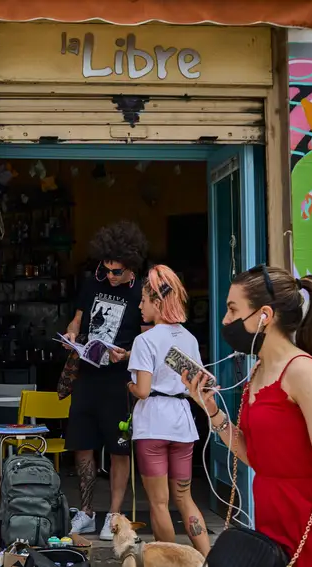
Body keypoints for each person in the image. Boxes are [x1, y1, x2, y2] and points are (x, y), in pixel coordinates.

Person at [183, 265, 312, 567]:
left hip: (307, 523)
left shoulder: (302, 371)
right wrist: (210, 410)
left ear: (265, 315)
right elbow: (256, 457)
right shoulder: (258, 370)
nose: (225, 320)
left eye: (232, 309)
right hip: (270, 525)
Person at [62, 221, 148, 540]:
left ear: (132, 269)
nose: (109, 276)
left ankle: (113, 514)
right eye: (106, 269)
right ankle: (85, 512)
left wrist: (125, 356)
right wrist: (72, 333)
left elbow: (149, 340)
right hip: (87, 373)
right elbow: (79, 317)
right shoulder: (93, 280)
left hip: (119, 381)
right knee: (82, 443)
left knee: (118, 448)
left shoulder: (142, 292)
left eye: (116, 272)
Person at [124, 265, 211, 557]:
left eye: (143, 300)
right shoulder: (188, 338)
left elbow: (144, 390)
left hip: (152, 424)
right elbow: (194, 386)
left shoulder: (144, 340)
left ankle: (173, 561)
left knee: (159, 503)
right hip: (182, 422)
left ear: (157, 303)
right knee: (184, 498)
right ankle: (208, 558)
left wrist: (130, 386)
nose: (139, 305)